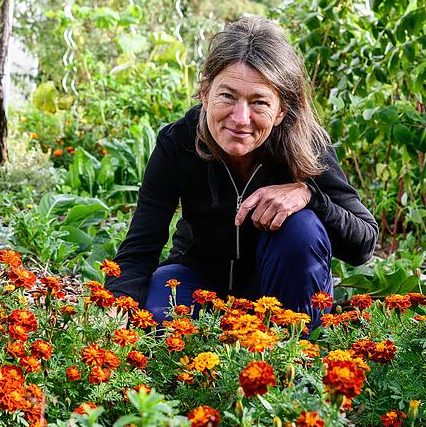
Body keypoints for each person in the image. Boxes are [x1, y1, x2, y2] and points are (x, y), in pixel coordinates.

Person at [105, 17, 378, 331]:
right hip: (200, 280)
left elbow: (363, 244)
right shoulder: (178, 143)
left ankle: (293, 350)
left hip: (277, 292)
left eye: (259, 102)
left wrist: (310, 196)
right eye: (227, 96)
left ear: (280, 112)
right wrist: (115, 311)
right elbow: (141, 247)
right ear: (205, 93)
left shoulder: (306, 145)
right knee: (161, 322)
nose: (240, 118)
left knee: (301, 227)